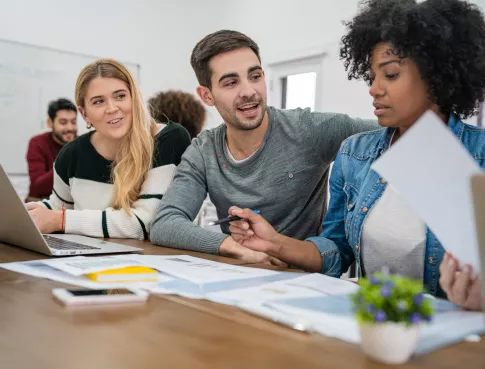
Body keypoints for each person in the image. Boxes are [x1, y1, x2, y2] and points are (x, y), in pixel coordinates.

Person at [228, 0, 485, 297]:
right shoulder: (354, 153)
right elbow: (336, 248)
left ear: (436, 76)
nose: (374, 89)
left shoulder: (477, 154)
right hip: (374, 325)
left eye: (390, 75)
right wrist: (274, 243)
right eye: (372, 76)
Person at [150, 30, 377, 264]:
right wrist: (235, 248)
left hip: (305, 279)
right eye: (231, 83)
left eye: (255, 76)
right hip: (244, 276)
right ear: (207, 95)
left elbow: (395, 129)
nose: (249, 91)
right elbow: (165, 223)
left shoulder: (309, 130)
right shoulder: (203, 150)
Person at [26, 59, 191, 240]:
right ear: (84, 113)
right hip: (88, 260)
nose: (112, 108)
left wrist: (62, 221)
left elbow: (146, 223)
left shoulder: (168, 139)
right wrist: (23, 214)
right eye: (98, 102)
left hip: (148, 262)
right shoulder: (71, 154)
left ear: (133, 98)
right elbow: (59, 208)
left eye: (120, 96)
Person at [26, 98, 78, 201]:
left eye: (73, 122)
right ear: (50, 123)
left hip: (71, 204)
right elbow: (38, 186)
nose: (70, 128)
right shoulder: (38, 143)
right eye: (63, 122)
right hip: (40, 202)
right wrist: (67, 159)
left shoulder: (81, 144)